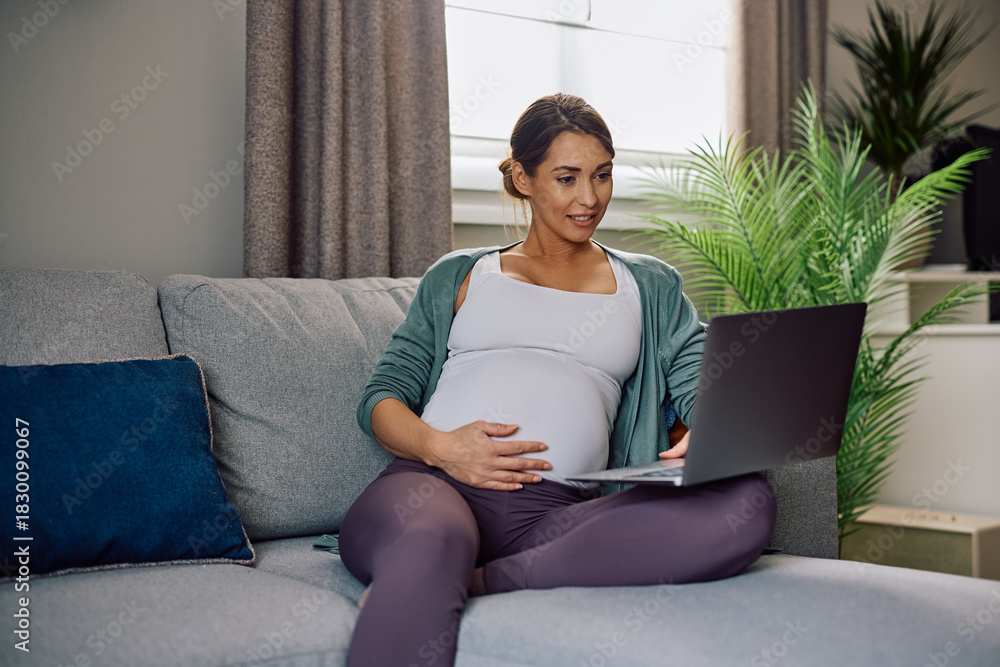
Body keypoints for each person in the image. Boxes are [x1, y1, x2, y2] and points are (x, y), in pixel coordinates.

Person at [338, 93, 776, 667]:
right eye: (566, 178)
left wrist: (711, 428)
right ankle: (440, 568)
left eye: (602, 176)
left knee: (750, 503)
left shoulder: (650, 286)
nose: (589, 198)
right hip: (430, 489)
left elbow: (701, 380)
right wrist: (443, 449)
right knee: (434, 541)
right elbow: (382, 399)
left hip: (554, 516)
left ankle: (484, 579)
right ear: (522, 177)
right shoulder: (463, 274)